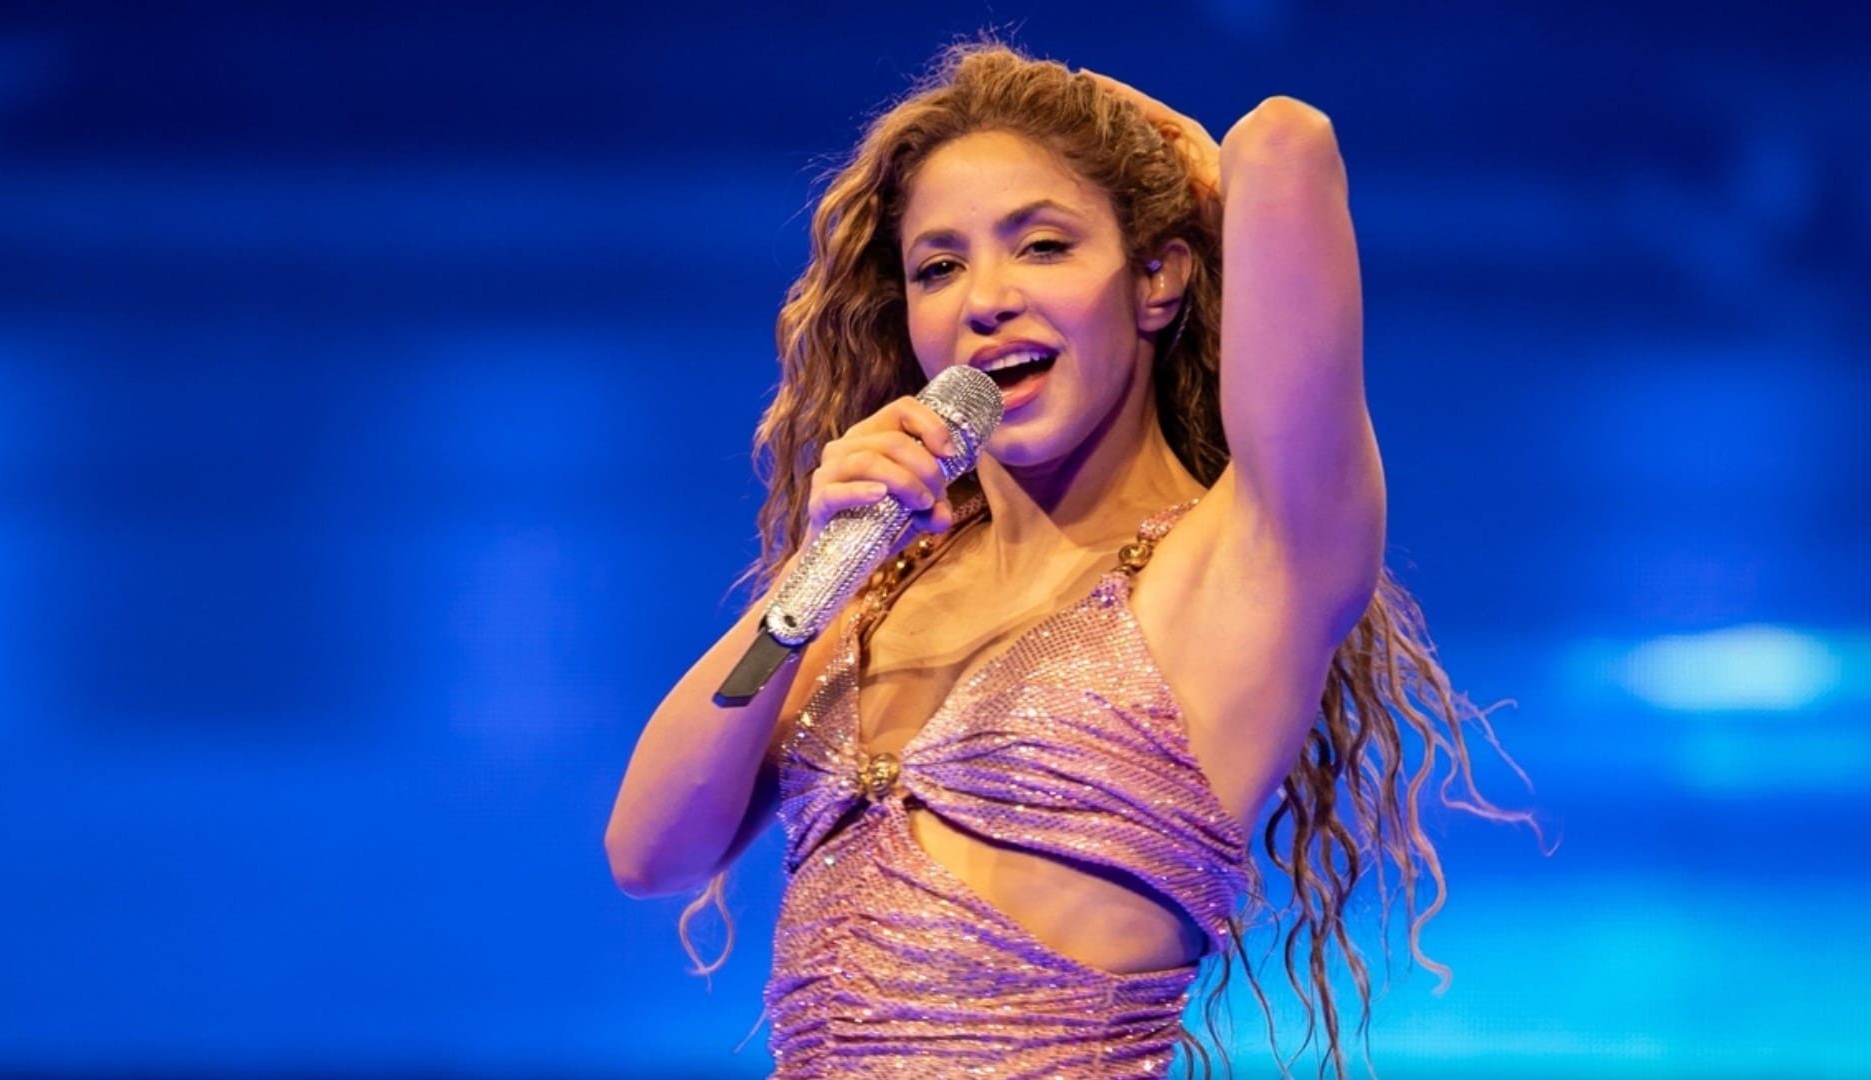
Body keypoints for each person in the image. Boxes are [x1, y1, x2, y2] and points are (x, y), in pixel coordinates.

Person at [606, 41, 1527, 1078]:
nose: (985, 299)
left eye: (1042, 246)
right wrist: (810, 577)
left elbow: (1287, 141)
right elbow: (651, 850)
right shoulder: (878, 591)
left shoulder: (1247, 561)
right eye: (939, 267)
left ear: (1157, 278)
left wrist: (1176, 162)